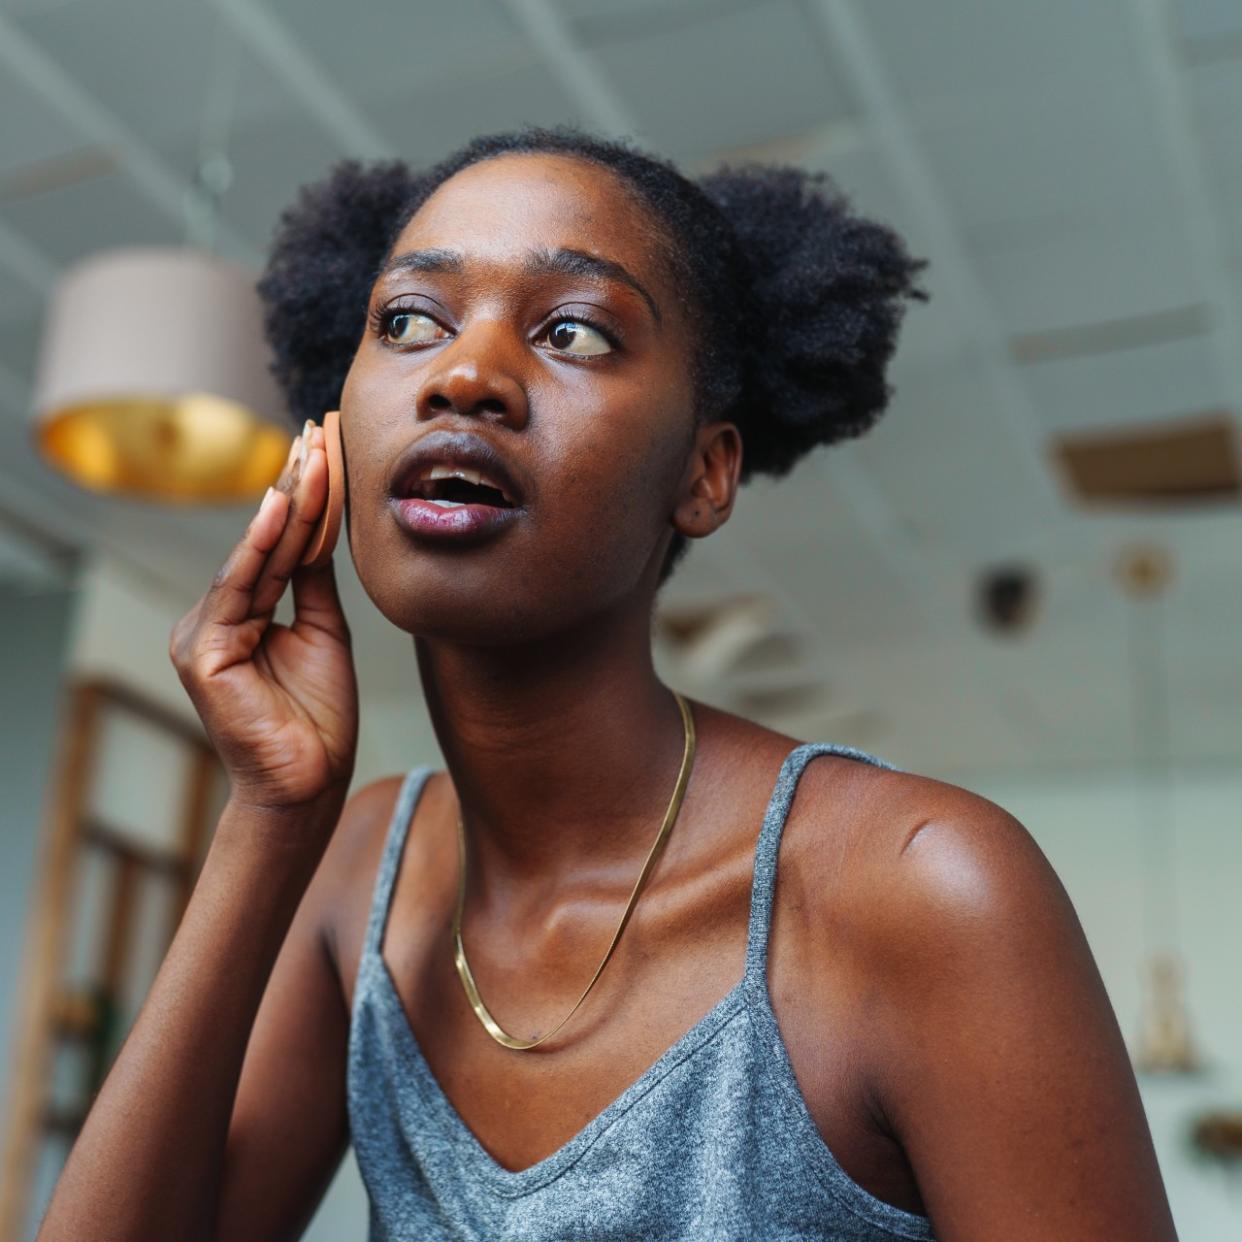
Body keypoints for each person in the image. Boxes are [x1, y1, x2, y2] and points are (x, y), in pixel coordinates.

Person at [40, 128, 1177, 1241]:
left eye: (573, 331)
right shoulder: (357, 873)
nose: (466, 375)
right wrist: (268, 819)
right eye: (408, 322)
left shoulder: (923, 892)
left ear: (704, 471)